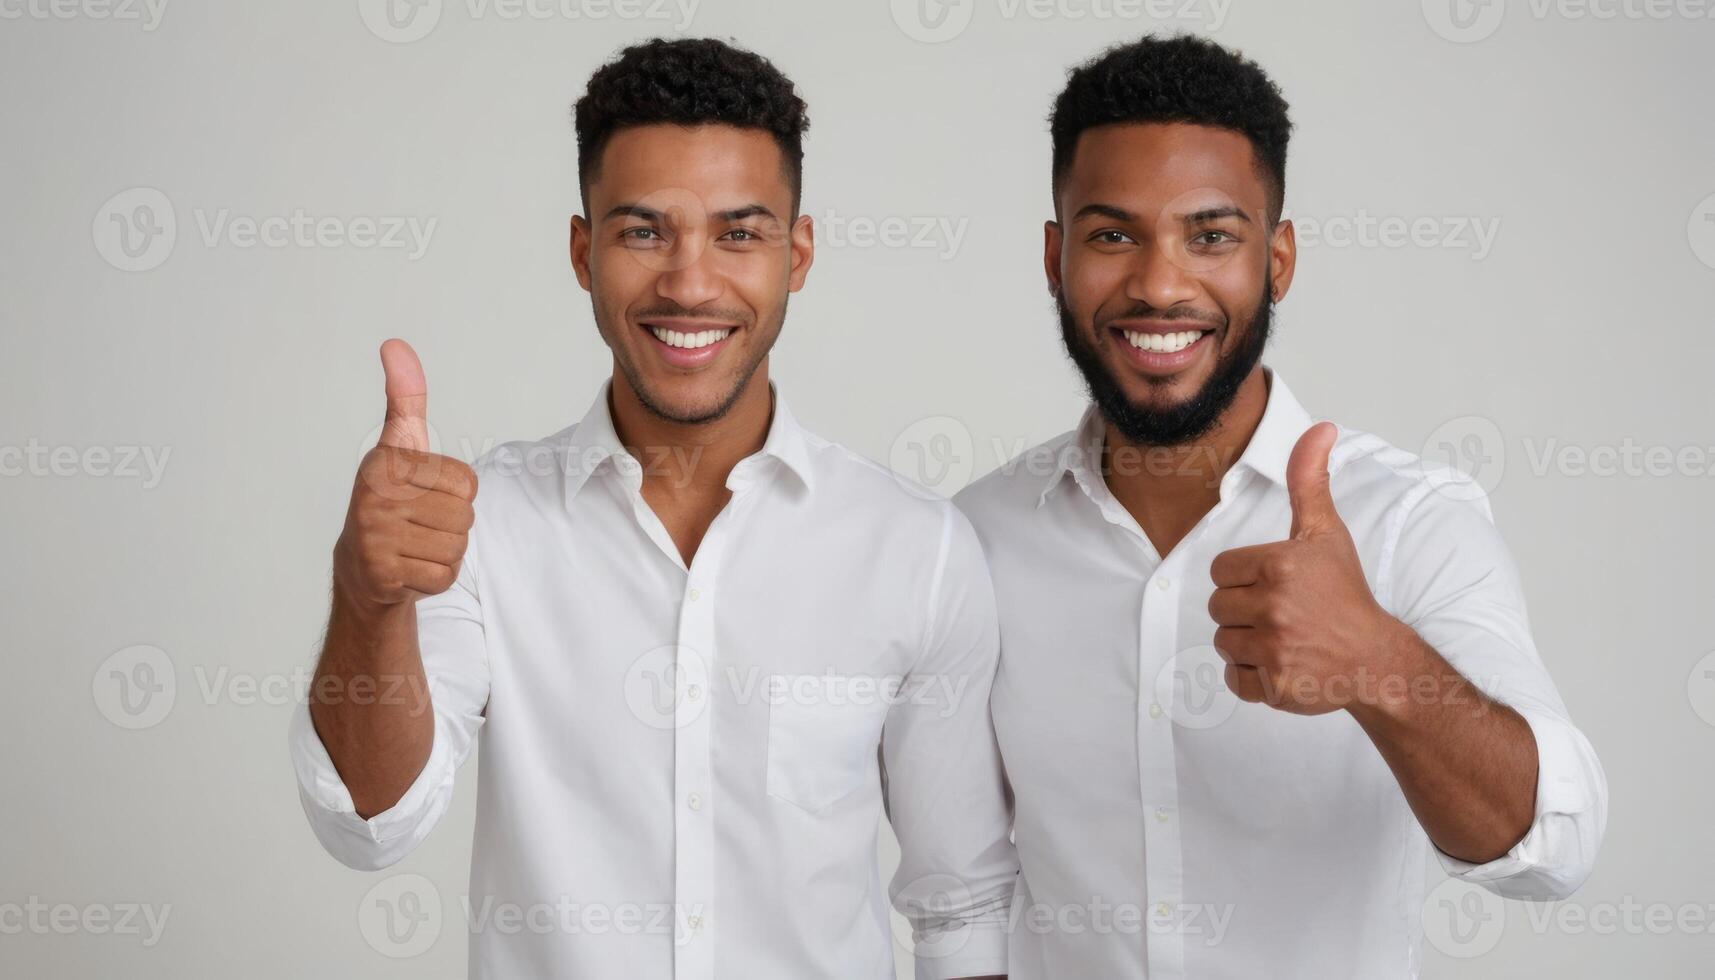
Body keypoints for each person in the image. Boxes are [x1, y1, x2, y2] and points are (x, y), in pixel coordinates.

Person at [289, 37, 1015, 980]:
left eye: (738, 233)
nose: (689, 282)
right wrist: (367, 598)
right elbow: (370, 826)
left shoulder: (915, 550)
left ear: (796, 255)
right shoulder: (482, 525)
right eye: (642, 232)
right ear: (583, 251)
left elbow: (961, 910)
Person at [954, 34, 1606, 978]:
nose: (1159, 285)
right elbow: (960, 881)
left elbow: (1556, 847)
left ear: (1279, 258)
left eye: (1211, 236)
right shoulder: (976, 537)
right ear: (1054, 258)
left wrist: (1378, 663)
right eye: (1110, 235)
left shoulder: (1409, 520)